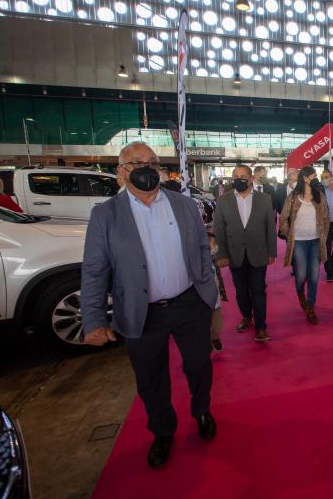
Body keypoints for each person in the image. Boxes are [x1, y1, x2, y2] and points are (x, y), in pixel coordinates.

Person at [80, 142, 219, 469]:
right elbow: (95, 269)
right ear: (121, 171)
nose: (147, 167)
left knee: (199, 365)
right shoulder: (105, 215)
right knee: (151, 378)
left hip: (189, 303)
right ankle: (162, 431)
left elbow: (202, 246)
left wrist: (207, 287)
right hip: (142, 313)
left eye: (153, 162)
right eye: (137, 162)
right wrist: (93, 319)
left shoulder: (183, 204)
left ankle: (202, 411)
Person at [213, 165, 277, 342]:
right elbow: (219, 229)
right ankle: (247, 317)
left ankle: (261, 327)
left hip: (259, 253)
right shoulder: (223, 200)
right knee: (241, 292)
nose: (238, 179)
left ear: (250, 179)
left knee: (258, 291)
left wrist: (272, 251)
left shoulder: (265, 199)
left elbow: (270, 227)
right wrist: (222, 254)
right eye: (235, 176)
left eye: (242, 176)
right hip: (234, 255)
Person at [278, 166, 329, 324]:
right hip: (298, 241)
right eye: (313, 176)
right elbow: (283, 217)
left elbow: (326, 217)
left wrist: (323, 237)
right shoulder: (293, 196)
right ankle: (301, 294)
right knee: (300, 276)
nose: (316, 179)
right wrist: (289, 235)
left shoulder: (319, 195)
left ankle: (311, 306)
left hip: (315, 241)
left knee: (313, 276)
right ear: (305, 178)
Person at [206, 230, 227, 351]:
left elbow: (214, 248)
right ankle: (207, 338)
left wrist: (212, 241)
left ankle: (215, 336)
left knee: (216, 309)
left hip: (211, 275)